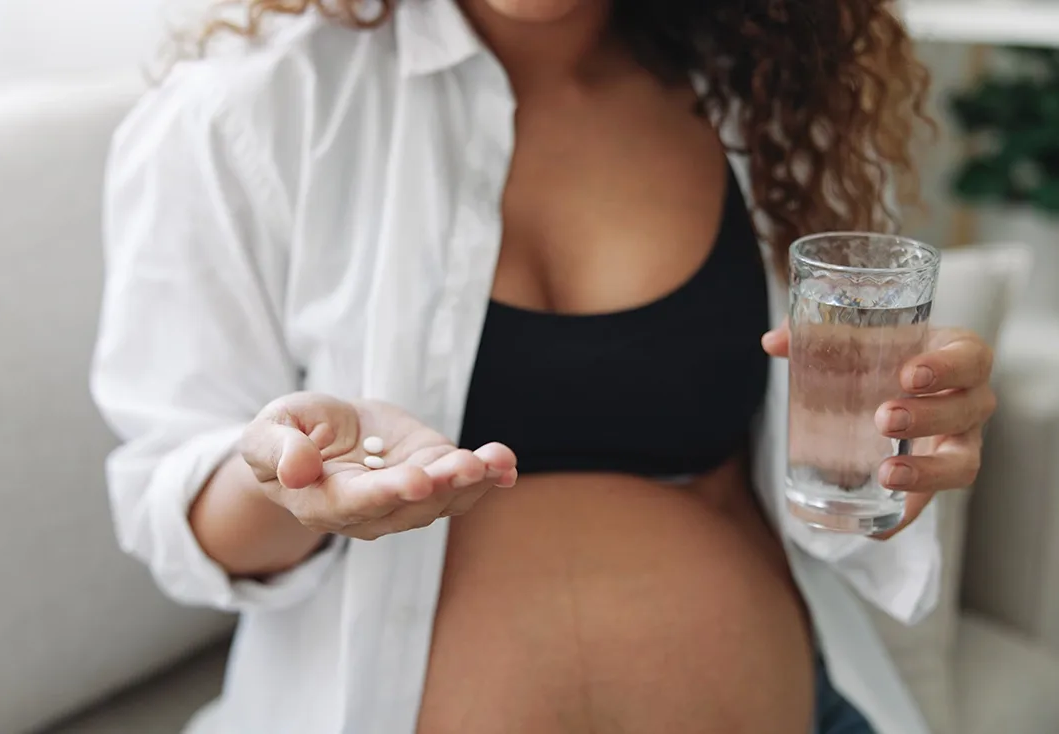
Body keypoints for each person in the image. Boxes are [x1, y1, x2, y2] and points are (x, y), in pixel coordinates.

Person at [90, 0, 998, 730]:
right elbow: (174, 512)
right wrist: (289, 482)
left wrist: (903, 451)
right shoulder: (242, 115)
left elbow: (835, 495)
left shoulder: (776, 96)